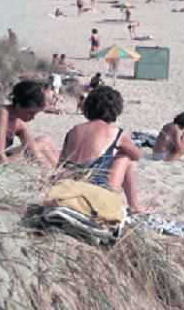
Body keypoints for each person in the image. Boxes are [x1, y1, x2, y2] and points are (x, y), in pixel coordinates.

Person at [58, 85, 150, 214]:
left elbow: (61, 163)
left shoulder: (73, 131)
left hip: (69, 190)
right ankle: (135, 206)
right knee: (125, 157)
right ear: (116, 109)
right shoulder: (116, 133)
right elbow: (137, 156)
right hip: (96, 195)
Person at [0, 80, 59, 167]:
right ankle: (57, 174)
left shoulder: (19, 122)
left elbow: (33, 150)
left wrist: (45, 165)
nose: (32, 118)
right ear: (18, 106)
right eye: (30, 113)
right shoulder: (2, 113)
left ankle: (59, 171)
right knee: (41, 146)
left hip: (0, 158)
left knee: (45, 140)